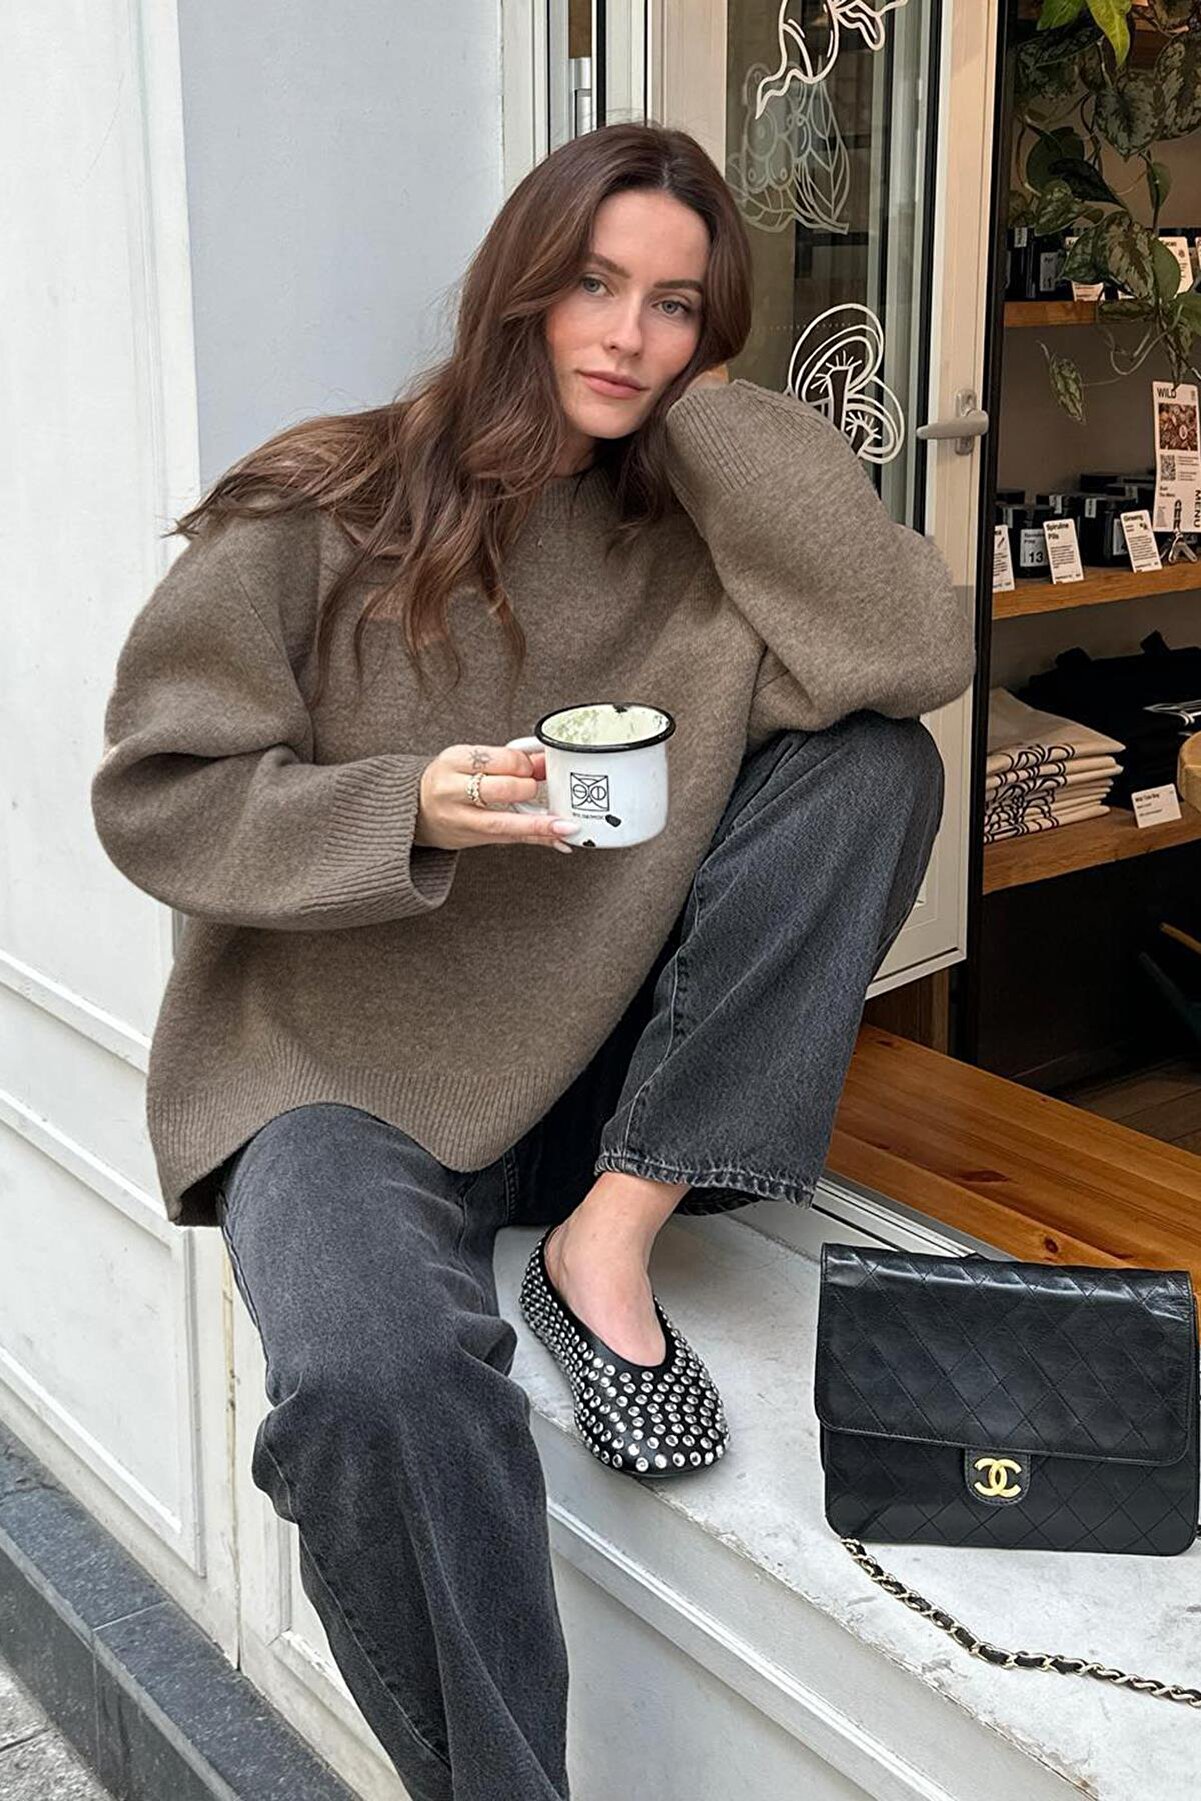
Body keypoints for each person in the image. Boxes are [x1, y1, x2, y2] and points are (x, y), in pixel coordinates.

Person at [91, 120, 974, 1801]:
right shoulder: (320, 505)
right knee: (372, 1382)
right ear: (515, 285)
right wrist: (402, 805)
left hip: (604, 1090)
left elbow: (907, 656)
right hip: (335, 1079)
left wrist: (716, 416)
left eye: (674, 304)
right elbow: (159, 797)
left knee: (874, 768)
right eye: (591, 284)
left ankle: (603, 1247)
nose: (625, 335)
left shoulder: (704, 534)